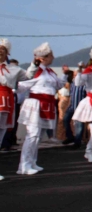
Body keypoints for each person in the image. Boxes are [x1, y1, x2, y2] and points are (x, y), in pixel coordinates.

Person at [16, 42, 63, 175]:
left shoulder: (50, 72)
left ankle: (32, 162)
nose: (53, 57)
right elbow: (22, 85)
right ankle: (23, 165)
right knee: (32, 135)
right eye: (51, 55)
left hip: (47, 104)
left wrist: (66, 77)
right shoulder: (35, 71)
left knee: (38, 136)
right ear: (44, 57)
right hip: (35, 105)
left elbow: (58, 85)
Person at [0, 38, 28, 180]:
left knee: (2, 133)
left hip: (7, 102)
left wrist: (35, 65)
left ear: (7, 53)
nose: (0, 51)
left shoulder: (13, 69)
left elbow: (28, 76)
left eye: (3, 49)